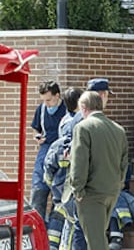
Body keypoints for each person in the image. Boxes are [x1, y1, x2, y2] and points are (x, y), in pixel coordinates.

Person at [60, 78, 118, 250]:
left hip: (89, 183)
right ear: (101, 95)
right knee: (81, 228)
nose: (108, 99)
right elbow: (73, 155)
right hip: (86, 186)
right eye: (107, 95)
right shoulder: (81, 122)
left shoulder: (84, 120)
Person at [69, 91, 129, 250]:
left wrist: (77, 189)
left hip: (91, 193)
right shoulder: (118, 129)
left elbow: (79, 162)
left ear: (83, 107)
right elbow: (124, 162)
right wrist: (119, 184)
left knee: (96, 242)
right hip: (112, 191)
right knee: (98, 236)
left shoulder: (83, 127)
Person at [43, 87, 83, 250]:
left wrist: (54, 186)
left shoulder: (65, 120)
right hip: (70, 187)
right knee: (72, 226)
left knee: (66, 224)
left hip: (61, 187)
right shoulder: (77, 122)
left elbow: (49, 171)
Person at [31, 80, 67, 221]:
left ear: (57, 95)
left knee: (59, 190)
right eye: (44, 100)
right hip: (45, 150)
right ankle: (38, 225)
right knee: (38, 187)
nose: (47, 104)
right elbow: (36, 127)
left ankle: (54, 227)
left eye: (49, 100)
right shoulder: (41, 109)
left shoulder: (67, 110)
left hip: (61, 151)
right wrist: (37, 136)